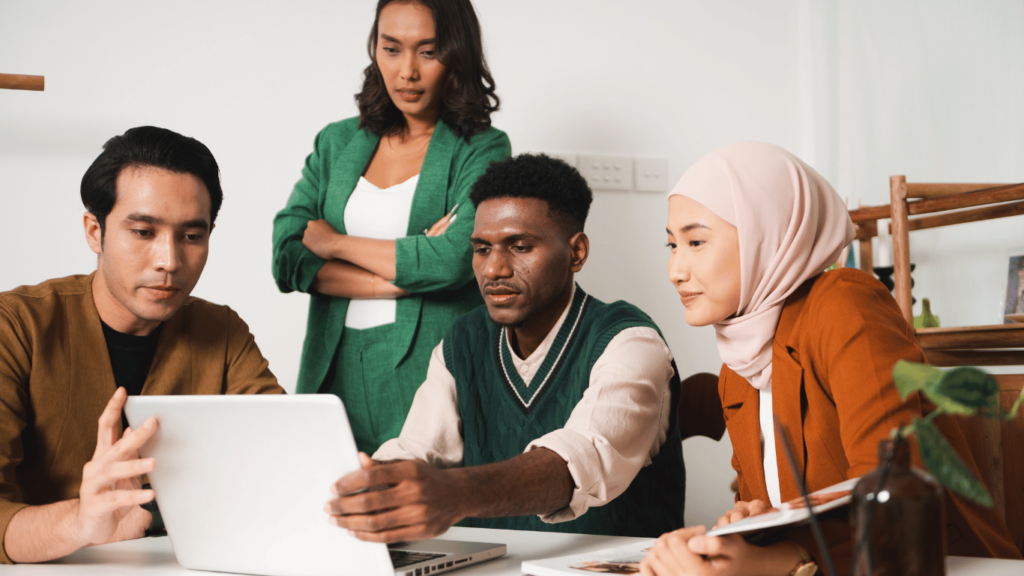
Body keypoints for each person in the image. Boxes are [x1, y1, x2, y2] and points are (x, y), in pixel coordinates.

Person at [641, 141, 1020, 576]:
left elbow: (893, 482)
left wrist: (772, 558)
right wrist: (745, 529)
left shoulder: (844, 304)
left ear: (767, 232)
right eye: (672, 245)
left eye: (695, 241)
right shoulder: (739, 365)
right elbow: (786, 510)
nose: (676, 270)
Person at [322, 154, 686, 541]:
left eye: (520, 247)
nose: (494, 268)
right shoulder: (462, 342)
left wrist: (455, 492)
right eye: (481, 249)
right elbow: (416, 449)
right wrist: (376, 485)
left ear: (576, 252)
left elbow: (581, 459)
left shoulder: (629, 341)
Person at [0, 126, 284, 564]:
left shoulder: (222, 331)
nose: (169, 261)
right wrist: (79, 521)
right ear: (95, 231)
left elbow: (283, 458)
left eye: (192, 236)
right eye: (144, 232)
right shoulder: (16, 327)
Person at [272, 0, 511, 455]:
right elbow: (287, 255)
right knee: (327, 504)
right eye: (391, 48)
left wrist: (333, 242)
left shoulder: (482, 148)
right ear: (374, 49)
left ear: (456, 53)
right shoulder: (337, 141)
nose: (407, 72)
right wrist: (395, 283)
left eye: (427, 51)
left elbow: (456, 259)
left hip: (429, 369)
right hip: (333, 362)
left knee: (422, 509)